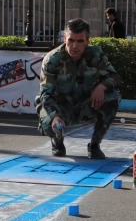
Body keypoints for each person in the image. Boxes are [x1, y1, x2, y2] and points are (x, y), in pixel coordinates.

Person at [36, 18, 121, 159]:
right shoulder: (52, 60)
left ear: (87, 40)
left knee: (113, 97)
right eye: (71, 40)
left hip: (84, 104)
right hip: (60, 107)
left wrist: (101, 87)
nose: (75, 46)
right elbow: (46, 93)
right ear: (65, 39)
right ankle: (57, 141)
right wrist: (55, 117)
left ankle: (94, 145)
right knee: (48, 120)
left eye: (80, 41)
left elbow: (115, 76)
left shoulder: (95, 55)